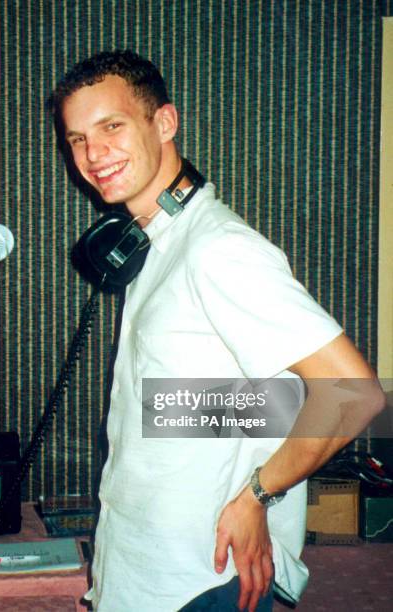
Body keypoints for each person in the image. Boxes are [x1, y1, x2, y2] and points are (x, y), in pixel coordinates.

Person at [50, 50, 385, 612]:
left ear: (164, 123)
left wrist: (259, 495)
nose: (93, 154)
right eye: (78, 138)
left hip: (196, 581)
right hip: (146, 570)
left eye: (112, 127)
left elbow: (352, 393)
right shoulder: (158, 247)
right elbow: (276, 400)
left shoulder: (218, 250)